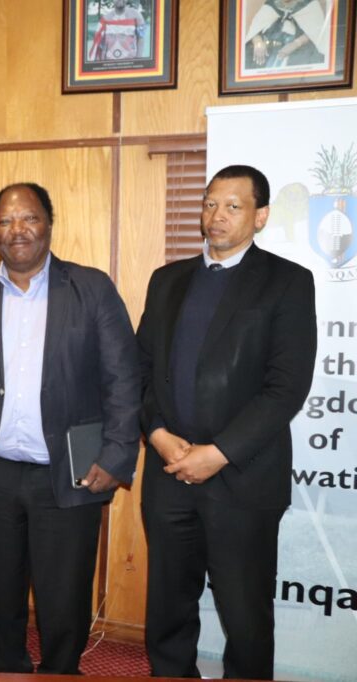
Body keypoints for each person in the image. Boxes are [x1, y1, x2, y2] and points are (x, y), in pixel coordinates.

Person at [0, 183, 140, 674]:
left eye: (29, 218)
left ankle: (62, 672)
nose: (17, 230)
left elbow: (124, 380)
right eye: (5, 221)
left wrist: (116, 455)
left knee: (63, 598)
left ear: (49, 222)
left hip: (68, 471)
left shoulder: (91, 288)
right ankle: (6, 671)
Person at [137, 165, 317, 680]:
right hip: (168, 474)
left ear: (260, 216)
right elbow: (140, 369)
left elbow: (285, 387)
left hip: (242, 477)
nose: (216, 216)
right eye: (210, 204)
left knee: (245, 615)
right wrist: (158, 436)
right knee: (168, 608)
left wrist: (216, 453)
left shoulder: (287, 282)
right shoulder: (167, 280)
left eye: (233, 206)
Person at [244, 0, 327, 70]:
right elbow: (255, 29)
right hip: (269, 48)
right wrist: (258, 42)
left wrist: (296, 44)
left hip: (300, 50)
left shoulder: (310, 4)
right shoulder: (272, 3)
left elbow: (316, 32)